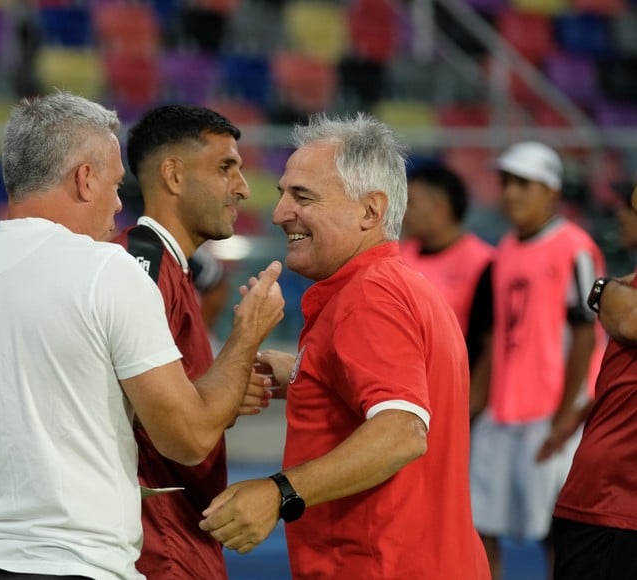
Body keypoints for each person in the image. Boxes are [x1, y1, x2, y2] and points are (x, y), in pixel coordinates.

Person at [0, 90, 286, 580]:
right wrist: (246, 334)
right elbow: (190, 439)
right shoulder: (107, 272)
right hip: (75, 564)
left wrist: (4, 495)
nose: (118, 205)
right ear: (84, 179)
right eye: (114, 185)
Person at [199, 113, 490, 578]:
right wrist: (302, 372)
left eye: (303, 196)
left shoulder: (368, 297)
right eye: (282, 194)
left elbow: (400, 431)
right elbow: (396, 395)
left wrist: (280, 492)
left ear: (371, 211)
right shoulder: (399, 285)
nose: (279, 214)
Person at [110, 104, 263, 579]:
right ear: (173, 176)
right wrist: (246, 334)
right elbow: (164, 427)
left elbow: (153, 393)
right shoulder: (141, 267)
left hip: (176, 529)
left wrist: (221, 387)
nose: (242, 188)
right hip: (158, 537)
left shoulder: (167, 267)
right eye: (225, 168)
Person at [469, 141, 606, 579]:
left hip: (550, 413)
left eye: (522, 183)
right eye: (506, 182)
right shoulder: (504, 249)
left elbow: (586, 331)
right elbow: (496, 338)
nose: (510, 193)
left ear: (550, 190)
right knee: (478, 523)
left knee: (557, 531)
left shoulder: (575, 246)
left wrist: (566, 417)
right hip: (503, 411)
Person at [537, 181, 637, 580]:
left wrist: (602, 291)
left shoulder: (619, 292)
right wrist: (605, 291)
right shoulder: (624, 292)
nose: (620, 217)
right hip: (610, 505)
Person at [400, 163, 495, 416]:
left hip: (452, 398)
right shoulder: (396, 257)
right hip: (402, 393)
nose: (402, 212)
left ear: (441, 208)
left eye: (411, 203)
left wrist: (472, 403)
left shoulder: (483, 263)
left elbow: (491, 340)